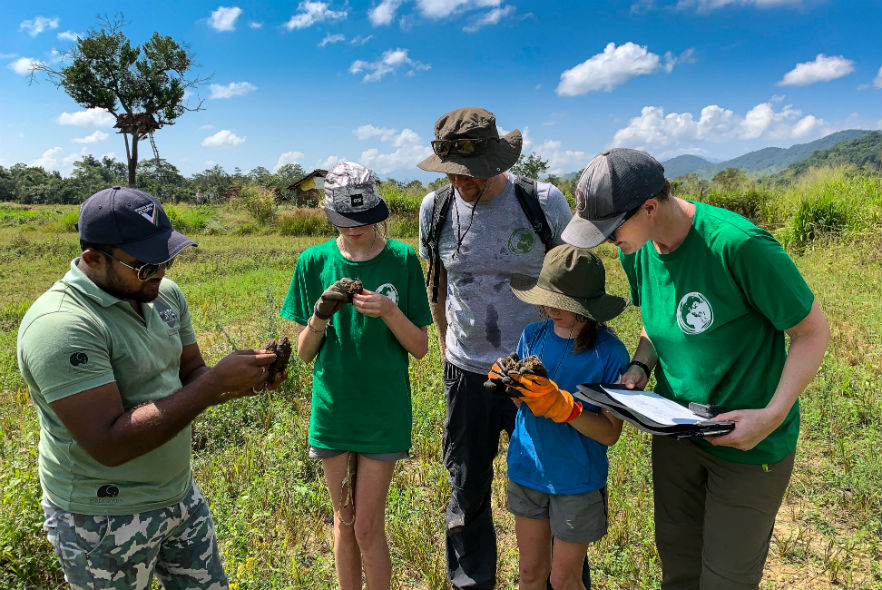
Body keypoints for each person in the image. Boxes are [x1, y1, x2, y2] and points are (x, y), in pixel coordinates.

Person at [561, 148, 831, 590]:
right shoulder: (639, 250)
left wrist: (772, 416)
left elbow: (812, 332)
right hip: (679, 435)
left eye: (611, 231)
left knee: (727, 578)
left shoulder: (739, 245)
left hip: (748, 444)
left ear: (649, 207)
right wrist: (640, 367)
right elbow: (653, 319)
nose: (610, 244)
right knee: (678, 565)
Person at [16, 186, 284, 590]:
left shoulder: (163, 295)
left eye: (166, 258)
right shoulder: (62, 325)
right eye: (145, 265)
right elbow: (109, 444)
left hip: (178, 494)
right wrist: (213, 385)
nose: (160, 271)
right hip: (102, 518)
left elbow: (191, 370)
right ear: (92, 258)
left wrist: (241, 383)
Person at [416, 107, 573, 590]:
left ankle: (560, 581)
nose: (463, 183)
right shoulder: (434, 209)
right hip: (465, 372)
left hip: (538, 373)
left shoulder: (542, 202)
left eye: (473, 175)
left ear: (498, 161)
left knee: (551, 487)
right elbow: (437, 286)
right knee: (467, 490)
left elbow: (572, 279)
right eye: (453, 174)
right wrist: (446, 347)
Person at [279, 161, 432, 590]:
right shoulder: (313, 262)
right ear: (330, 216)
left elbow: (419, 347)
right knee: (344, 523)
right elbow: (305, 355)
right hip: (334, 411)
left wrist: (389, 311)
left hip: (383, 413)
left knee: (367, 526)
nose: (356, 230)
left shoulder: (402, 259)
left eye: (364, 221)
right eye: (347, 222)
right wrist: (320, 315)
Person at [493, 245, 630, 590]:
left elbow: (610, 433)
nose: (550, 308)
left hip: (576, 480)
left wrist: (566, 408)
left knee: (565, 578)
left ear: (587, 307)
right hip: (528, 470)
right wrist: (512, 386)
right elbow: (525, 407)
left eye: (562, 303)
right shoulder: (532, 335)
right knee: (529, 574)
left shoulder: (610, 353)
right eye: (546, 298)